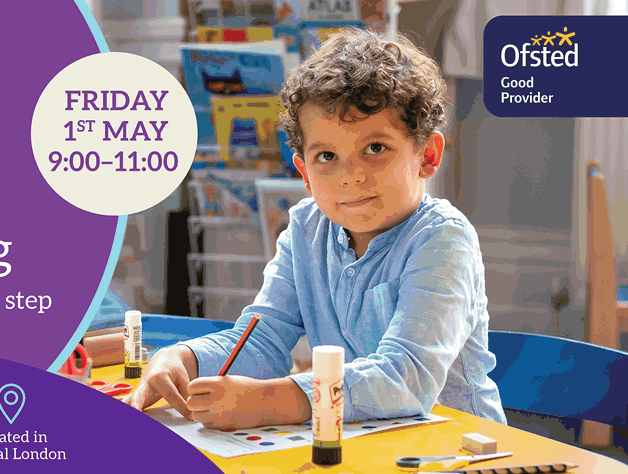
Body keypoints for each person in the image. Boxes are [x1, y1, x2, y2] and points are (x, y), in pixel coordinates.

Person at [125, 29, 505, 430]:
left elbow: (407, 377)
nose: (350, 175)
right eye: (326, 156)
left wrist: (273, 400)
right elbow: (262, 339)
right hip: (363, 442)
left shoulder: (443, 239)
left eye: (375, 148)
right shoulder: (306, 229)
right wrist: (182, 359)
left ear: (427, 155)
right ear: (304, 172)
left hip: (464, 451)